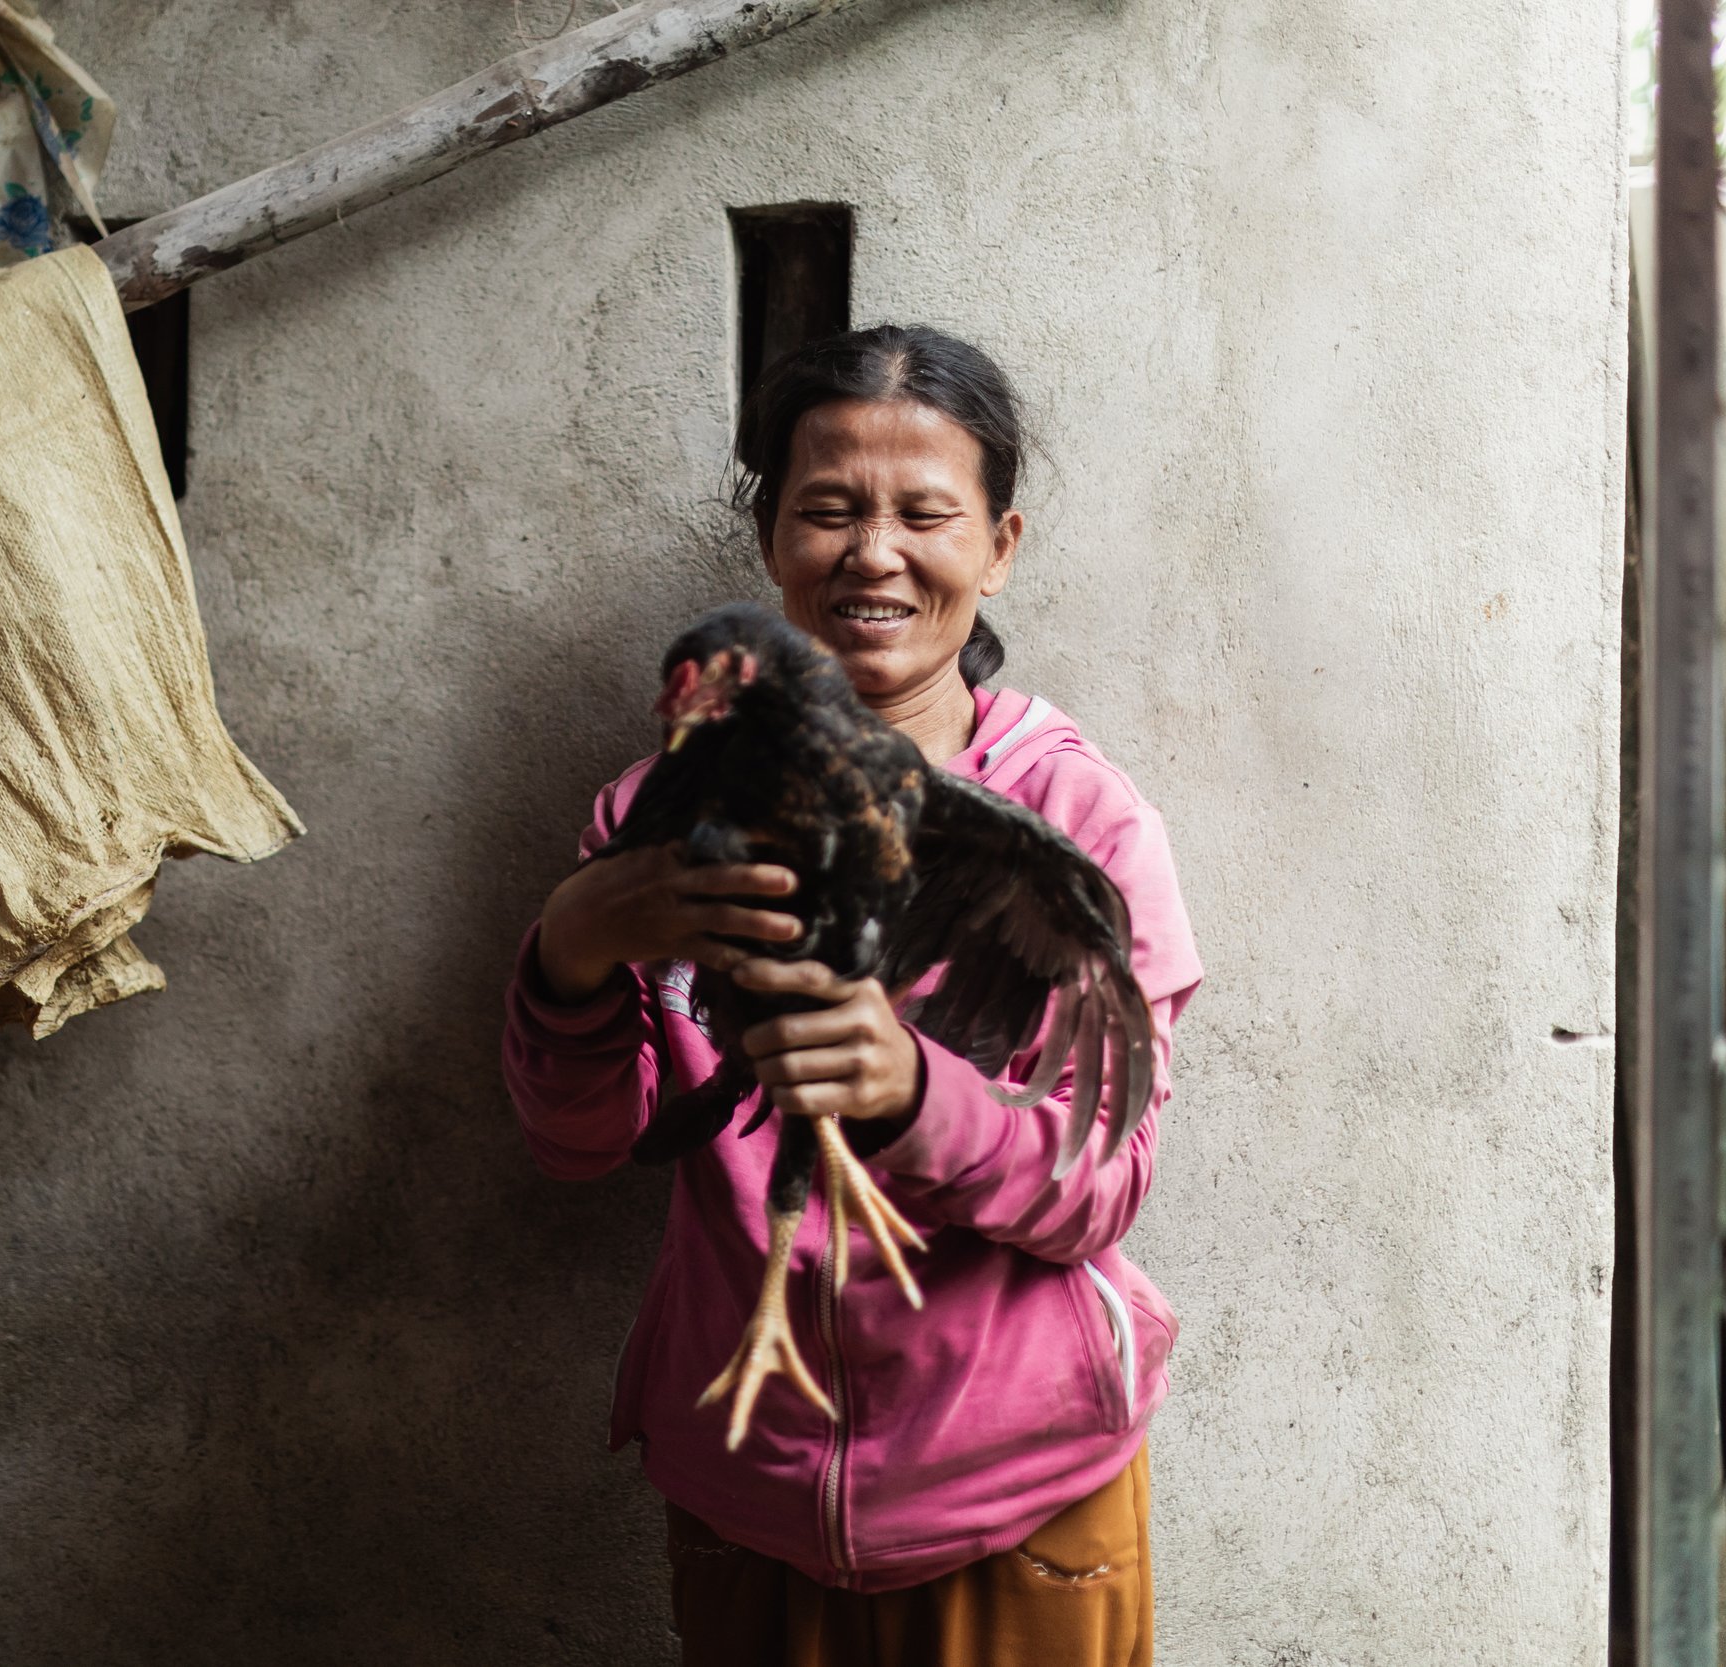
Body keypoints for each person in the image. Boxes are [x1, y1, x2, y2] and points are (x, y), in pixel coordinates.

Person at [501, 326, 1202, 1667]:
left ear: (998, 544)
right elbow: (581, 1141)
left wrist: (913, 1093)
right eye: (828, 509)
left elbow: (1102, 1179)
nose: (874, 551)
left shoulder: (1076, 821)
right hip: (745, 1487)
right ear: (770, 538)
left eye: (924, 513)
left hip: (1016, 1498)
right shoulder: (653, 816)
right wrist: (571, 951)